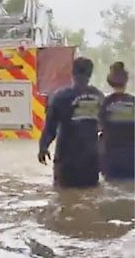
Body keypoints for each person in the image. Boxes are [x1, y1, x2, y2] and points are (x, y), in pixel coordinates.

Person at [38, 57, 104, 188]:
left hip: (66, 160)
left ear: (72, 73)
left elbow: (50, 128)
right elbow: (105, 129)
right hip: (91, 161)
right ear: (90, 74)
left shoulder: (60, 96)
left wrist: (43, 147)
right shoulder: (99, 97)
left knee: (64, 199)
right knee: (90, 200)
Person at [99, 62, 134, 180]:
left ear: (110, 82)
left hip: (111, 157)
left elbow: (98, 127)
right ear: (126, 81)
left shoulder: (105, 103)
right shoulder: (133, 102)